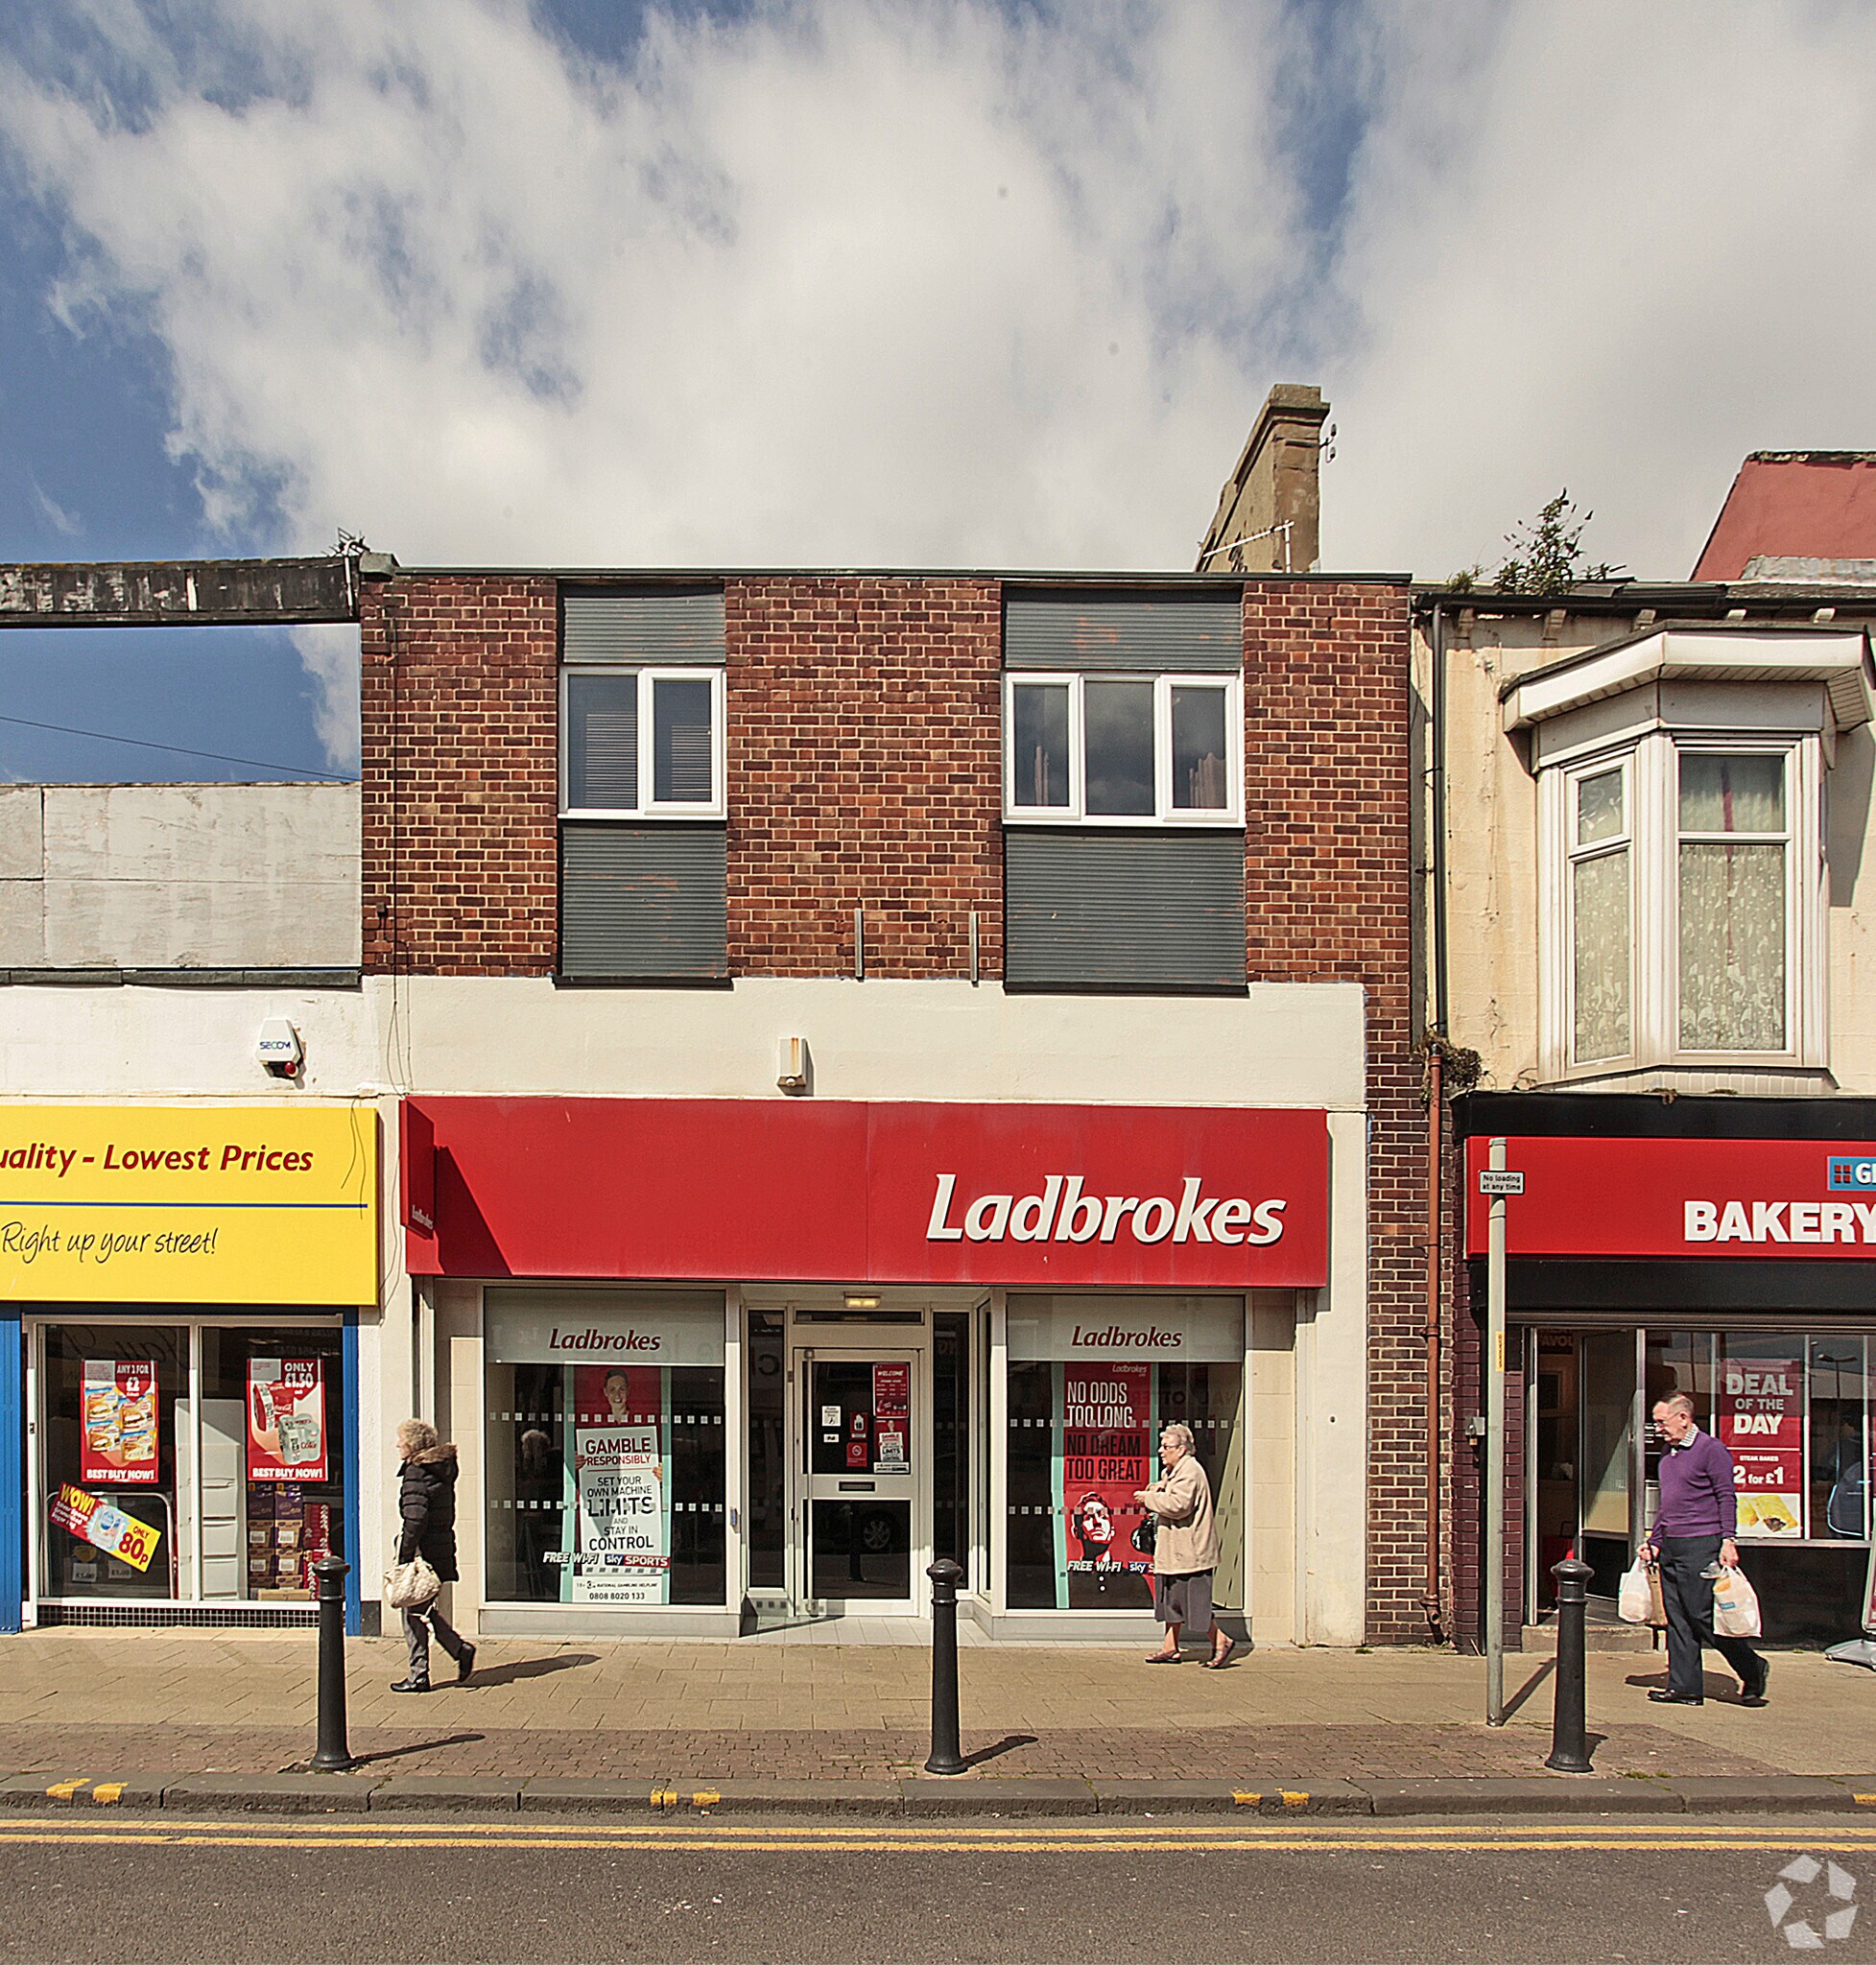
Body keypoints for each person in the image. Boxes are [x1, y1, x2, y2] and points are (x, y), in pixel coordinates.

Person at [1640, 1393, 1769, 1707]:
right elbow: (1666, 1505)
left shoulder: (1711, 1451)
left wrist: (1728, 1539)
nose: (1658, 1429)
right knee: (1678, 1618)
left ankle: (1752, 1668)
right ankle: (1685, 1687)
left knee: (1702, 1615)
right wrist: (1655, 1542)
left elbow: (1727, 1496)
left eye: (1662, 1421)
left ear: (1683, 1418)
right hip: (1672, 1543)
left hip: (1702, 1542)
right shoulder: (1668, 1454)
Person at [1135, 1422, 1232, 1668]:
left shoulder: (1190, 1471)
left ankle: (1221, 1640)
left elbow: (1179, 1506)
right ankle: (1171, 1647)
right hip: (1175, 1553)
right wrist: (1158, 1488)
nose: (1160, 1450)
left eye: (1166, 1446)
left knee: (1193, 1603)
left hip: (1190, 1554)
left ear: (1181, 1449)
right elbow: (1170, 1492)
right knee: (1172, 1600)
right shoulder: (1175, 1471)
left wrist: (1150, 1499)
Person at [390, 1416, 476, 1693]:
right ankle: (457, 1649)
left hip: (421, 1552)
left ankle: (419, 1674)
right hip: (439, 1548)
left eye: (401, 1440)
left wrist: (404, 1555)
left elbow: (415, 1518)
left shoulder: (417, 1472)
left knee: (412, 1611)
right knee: (422, 1609)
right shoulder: (439, 1470)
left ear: (412, 1444)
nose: (397, 1445)